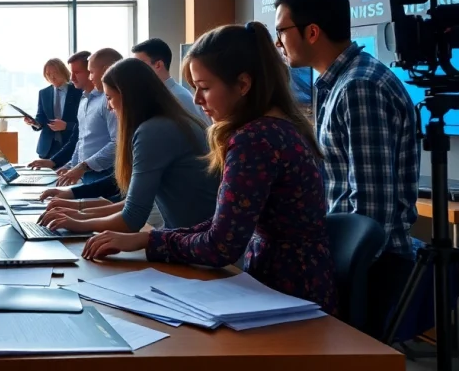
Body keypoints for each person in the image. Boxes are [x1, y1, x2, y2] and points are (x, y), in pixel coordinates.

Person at [80, 23, 337, 313]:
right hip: (289, 281)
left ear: (242, 85)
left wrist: (148, 240)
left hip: (285, 292)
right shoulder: (278, 127)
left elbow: (220, 246)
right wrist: (148, 238)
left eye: (204, 88)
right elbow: (223, 224)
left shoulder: (254, 139)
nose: (197, 100)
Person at [274, 0, 418, 332]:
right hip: (351, 256)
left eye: (282, 31)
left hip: (367, 264)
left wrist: (331, 269)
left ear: (311, 32)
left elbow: (371, 209)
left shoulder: (359, 86)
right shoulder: (337, 82)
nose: (278, 42)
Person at [37, 58, 216, 234]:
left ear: (128, 96)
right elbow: (134, 203)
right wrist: (78, 215)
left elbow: (132, 218)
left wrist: (77, 222)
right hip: (185, 238)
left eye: (109, 97)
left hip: (193, 244)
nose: (108, 107)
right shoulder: (171, 121)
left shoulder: (153, 131)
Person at [28, 48, 121, 187]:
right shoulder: (83, 100)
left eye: (77, 72)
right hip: (85, 173)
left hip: (104, 174)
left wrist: (82, 166)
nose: (72, 78)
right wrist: (70, 165)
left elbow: (118, 143)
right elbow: (80, 140)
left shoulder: (108, 101)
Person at [131, 38, 209, 123]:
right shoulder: (151, 96)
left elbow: (198, 133)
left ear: (158, 65)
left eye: (140, 65)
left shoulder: (180, 98)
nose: (135, 70)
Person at [28, 58, 82, 159]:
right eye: (48, 74)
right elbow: (41, 118)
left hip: (71, 146)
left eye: (55, 73)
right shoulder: (43, 93)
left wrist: (66, 126)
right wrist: (34, 122)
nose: (52, 77)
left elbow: (84, 123)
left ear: (63, 71)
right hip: (47, 148)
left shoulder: (78, 92)